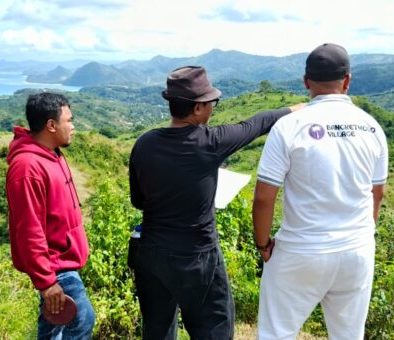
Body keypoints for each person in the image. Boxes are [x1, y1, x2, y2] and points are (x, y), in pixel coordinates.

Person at [128, 66, 304, 339]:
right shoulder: (209, 143)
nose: (213, 109)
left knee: (157, 330)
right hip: (196, 257)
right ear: (198, 109)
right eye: (212, 103)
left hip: (151, 254)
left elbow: (138, 201)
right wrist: (298, 109)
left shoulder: (144, 143)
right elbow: (256, 124)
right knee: (214, 329)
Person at [252, 43, 388, 339]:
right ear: (347, 81)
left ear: (306, 82)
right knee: (348, 334)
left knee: (277, 332)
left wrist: (263, 245)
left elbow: (264, 197)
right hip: (357, 251)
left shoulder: (289, 126)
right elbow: (377, 194)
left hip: (300, 250)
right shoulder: (372, 127)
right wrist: (362, 234)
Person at [6, 92, 96, 339]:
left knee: (55, 326)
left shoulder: (52, 153)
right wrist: (46, 282)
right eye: (69, 120)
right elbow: (28, 230)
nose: (74, 126)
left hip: (63, 260)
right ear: (51, 125)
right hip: (55, 264)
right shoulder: (27, 167)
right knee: (82, 320)